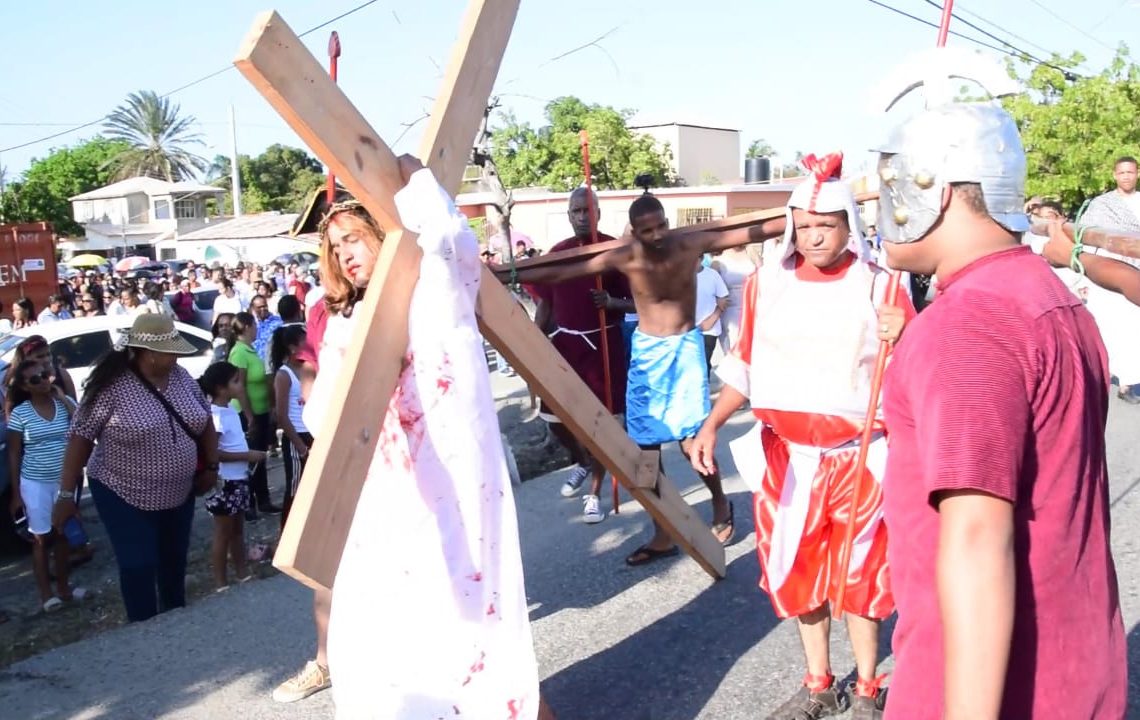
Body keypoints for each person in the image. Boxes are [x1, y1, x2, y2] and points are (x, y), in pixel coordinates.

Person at [874, 100, 1126, 718]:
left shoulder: (969, 322)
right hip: (1076, 665)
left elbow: (978, 538)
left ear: (939, 191)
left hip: (999, 689)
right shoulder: (1044, 293)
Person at [282, 156, 546, 719]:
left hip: (454, 489)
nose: (346, 254)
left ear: (385, 231)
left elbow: (451, 238)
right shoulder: (346, 328)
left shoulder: (436, 291)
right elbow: (319, 418)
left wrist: (415, 181)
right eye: (335, 248)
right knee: (401, 639)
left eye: (354, 237)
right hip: (386, 503)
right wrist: (348, 361)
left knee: (473, 623)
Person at [690, 154, 912, 719]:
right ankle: (818, 682)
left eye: (827, 226)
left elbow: (914, 370)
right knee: (797, 570)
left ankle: (866, 686)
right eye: (806, 226)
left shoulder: (881, 284)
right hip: (788, 458)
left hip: (860, 459)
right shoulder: (767, 286)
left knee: (861, 574)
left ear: (848, 227)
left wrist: (908, 333)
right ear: (792, 227)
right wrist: (711, 424)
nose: (815, 237)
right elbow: (745, 367)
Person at [512, 192, 759, 563]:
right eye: (647, 230)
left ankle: (721, 503)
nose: (657, 235)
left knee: (693, 445)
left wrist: (800, 214)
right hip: (646, 355)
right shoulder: (624, 254)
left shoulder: (687, 245)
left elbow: (747, 229)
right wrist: (507, 273)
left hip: (685, 351)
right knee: (645, 454)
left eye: (661, 225)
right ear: (635, 232)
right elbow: (564, 269)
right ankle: (663, 532)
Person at [53, 313, 220, 622]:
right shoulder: (111, 388)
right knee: (138, 564)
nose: (177, 354)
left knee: (173, 563)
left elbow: (205, 419)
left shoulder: (182, 378)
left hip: (178, 493)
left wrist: (211, 465)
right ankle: (143, 629)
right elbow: (80, 438)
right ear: (148, 353)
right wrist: (65, 494)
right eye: (170, 349)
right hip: (122, 493)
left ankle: (174, 623)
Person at [528, 187, 631, 523]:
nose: (582, 217)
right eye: (576, 212)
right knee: (552, 417)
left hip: (604, 345)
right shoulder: (558, 253)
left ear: (598, 213)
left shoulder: (614, 251)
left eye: (588, 210)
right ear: (569, 216)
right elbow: (546, 303)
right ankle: (583, 462)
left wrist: (613, 303)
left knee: (601, 424)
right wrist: (533, 339)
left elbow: (638, 302)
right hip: (567, 347)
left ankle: (594, 495)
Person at [7, 359, 87, 612]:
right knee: (41, 538)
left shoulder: (63, 405)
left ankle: (64, 588)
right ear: (23, 386)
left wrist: (62, 397)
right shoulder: (21, 414)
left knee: (63, 533)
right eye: (34, 379)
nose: (42, 381)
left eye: (44, 375)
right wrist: (17, 493)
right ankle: (46, 595)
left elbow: (82, 425)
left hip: (63, 480)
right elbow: (14, 453)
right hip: (35, 482)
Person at [1073, 156, 1140, 404]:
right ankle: (1106, 374)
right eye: (1121, 173)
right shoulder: (1102, 204)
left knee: (1134, 329)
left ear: (1137, 173)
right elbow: (1085, 238)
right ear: (1115, 175)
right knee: (1109, 326)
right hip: (1107, 270)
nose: (1126, 177)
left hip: (1135, 270)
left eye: (1130, 172)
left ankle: (1128, 381)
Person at [199, 362, 264, 589]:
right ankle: (220, 581)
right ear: (220, 388)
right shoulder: (215, 415)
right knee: (223, 532)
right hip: (225, 480)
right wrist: (247, 455)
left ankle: (241, 572)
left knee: (237, 529)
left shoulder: (229, 411)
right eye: (235, 381)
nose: (240, 385)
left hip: (238, 478)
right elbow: (213, 452)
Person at [227, 312, 278, 516]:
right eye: (255, 326)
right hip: (250, 413)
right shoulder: (239, 353)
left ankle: (263, 499)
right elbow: (239, 387)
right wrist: (249, 416)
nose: (257, 329)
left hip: (261, 410)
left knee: (260, 457)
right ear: (247, 327)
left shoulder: (249, 350)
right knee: (252, 458)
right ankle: (249, 504)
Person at [272, 324, 312, 528]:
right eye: (305, 341)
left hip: (312, 432)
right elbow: (282, 415)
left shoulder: (308, 368)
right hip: (296, 436)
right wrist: (300, 445)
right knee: (295, 489)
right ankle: (287, 537)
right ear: (292, 347)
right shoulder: (284, 375)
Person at [711, 245, 760, 355]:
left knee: (757, 349)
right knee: (736, 350)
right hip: (731, 310)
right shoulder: (718, 261)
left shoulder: (750, 252)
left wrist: (755, 256)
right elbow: (711, 289)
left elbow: (764, 274)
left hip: (754, 307)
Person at [693, 255, 729, 379]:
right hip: (688, 329)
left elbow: (723, 299)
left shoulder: (712, 275)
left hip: (709, 330)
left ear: (701, 258)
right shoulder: (680, 275)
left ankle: (703, 394)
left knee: (702, 365)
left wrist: (711, 319)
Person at [250, 295, 282, 362]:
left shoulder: (277, 323)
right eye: (259, 307)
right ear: (253, 309)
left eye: (264, 306)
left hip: (272, 364)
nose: (262, 309)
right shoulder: (252, 325)